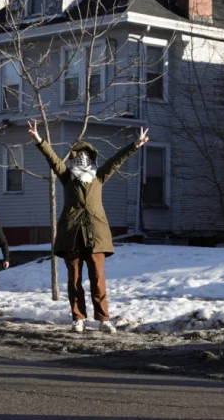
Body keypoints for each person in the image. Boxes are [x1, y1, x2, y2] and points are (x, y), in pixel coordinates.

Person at [27, 120, 148, 334]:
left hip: (96, 235)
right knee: (74, 280)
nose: (81, 157)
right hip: (71, 234)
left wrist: (136, 144)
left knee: (97, 279)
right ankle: (78, 318)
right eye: (77, 154)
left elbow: (116, 161)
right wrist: (39, 140)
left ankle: (103, 319)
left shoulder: (98, 177)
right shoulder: (67, 178)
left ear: (91, 158)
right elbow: (53, 159)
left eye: (85, 154)